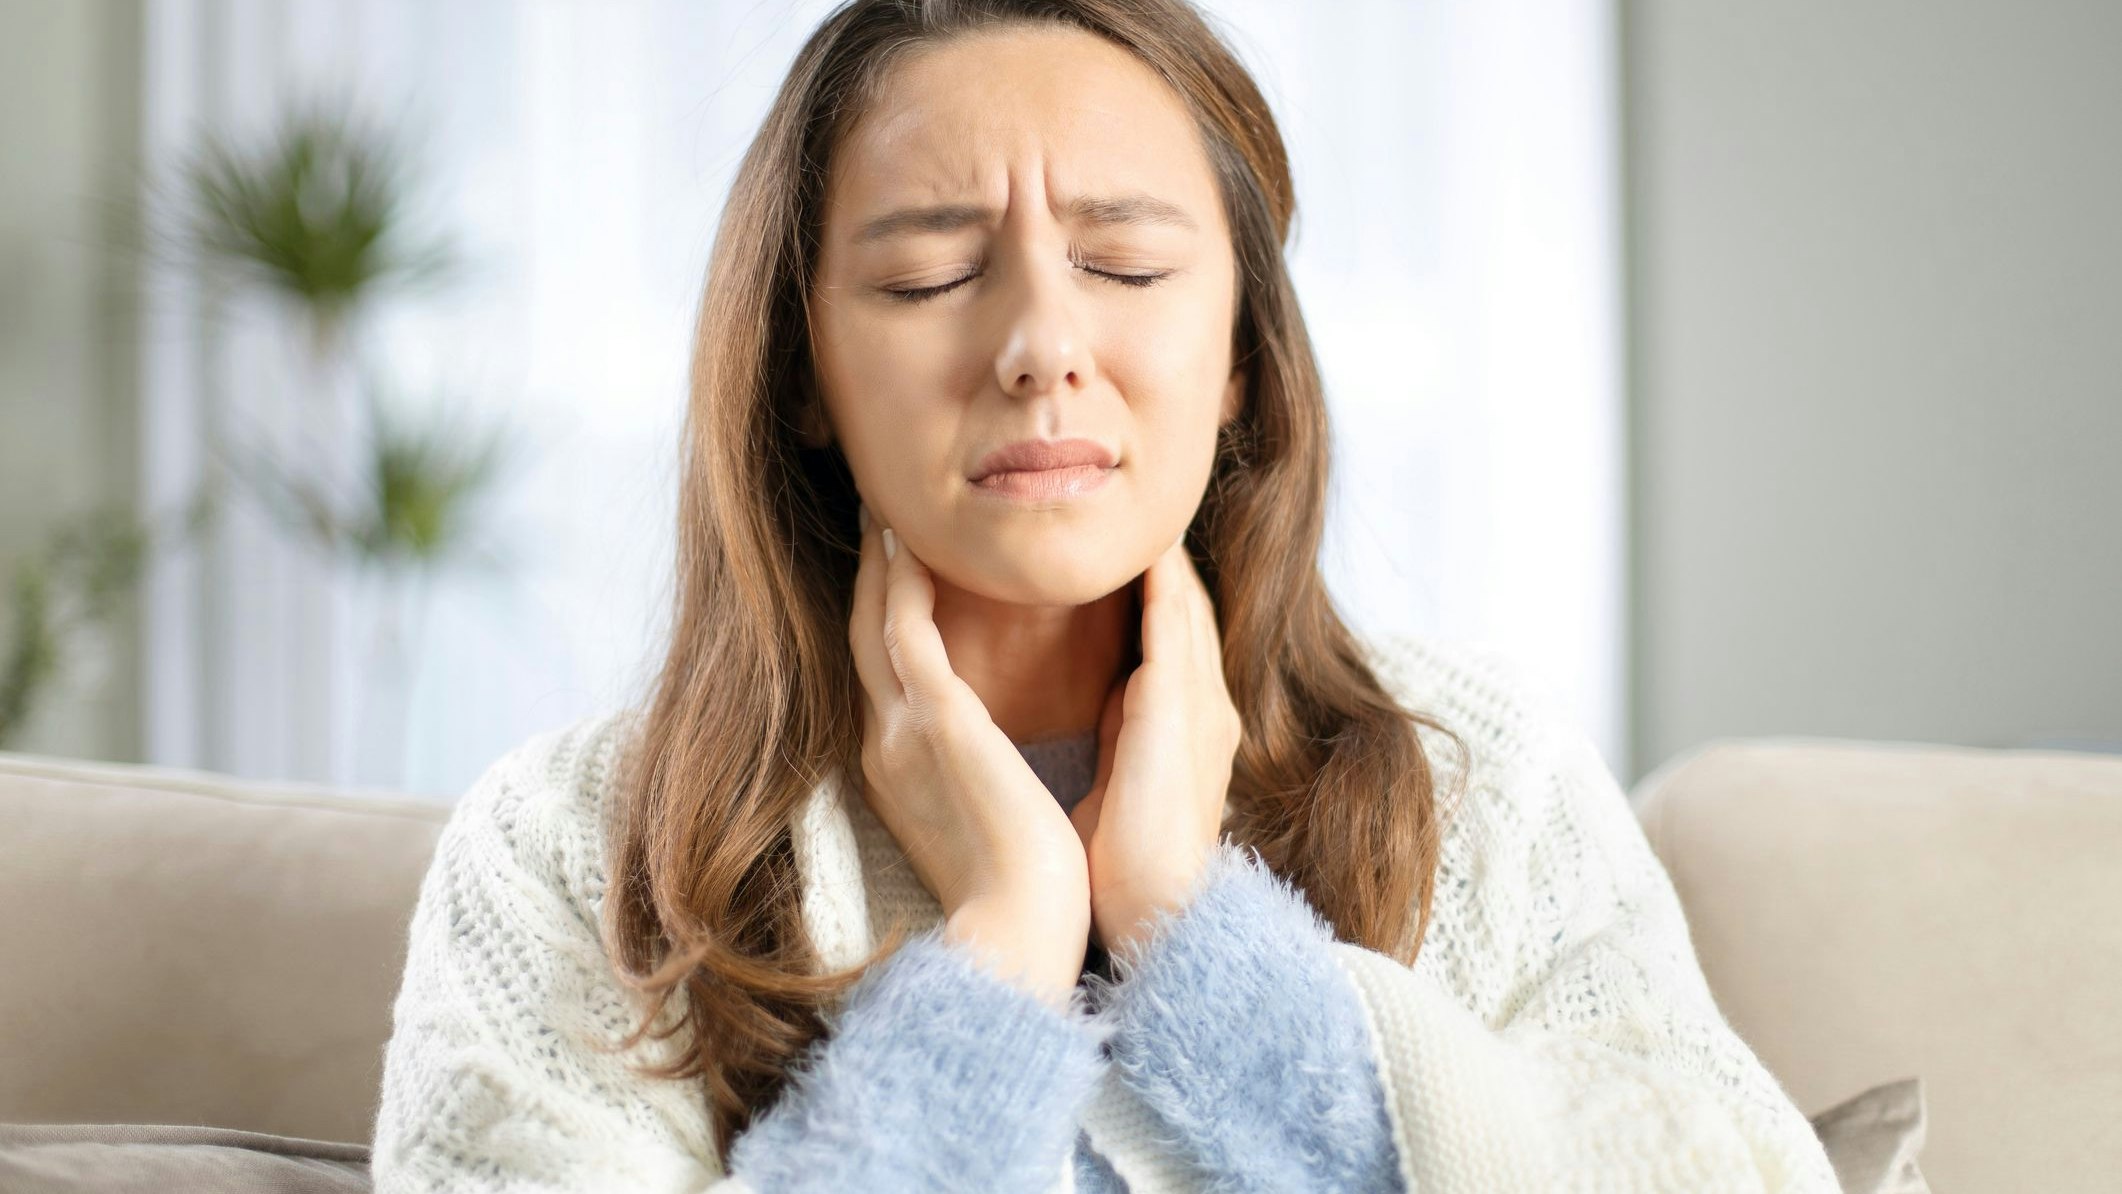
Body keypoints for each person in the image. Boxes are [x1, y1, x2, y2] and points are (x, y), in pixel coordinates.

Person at [370, 1, 1841, 1190]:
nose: (1040, 344)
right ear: (802, 375)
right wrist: (1001, 946)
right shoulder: (571, 849)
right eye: (932, 275)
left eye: (1123, 262)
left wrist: (1190, 926)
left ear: (1244, 357)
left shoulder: (1482, 782)